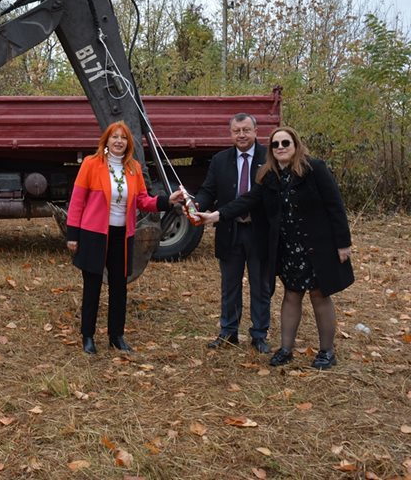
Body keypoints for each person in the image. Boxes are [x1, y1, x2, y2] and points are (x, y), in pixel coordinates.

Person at [197, 126, 354, 369]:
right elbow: (247, 200)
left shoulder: (315, 169)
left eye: (285, 143)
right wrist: (217, 215)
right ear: (270, 149)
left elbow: (335, 206)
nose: (280, 148)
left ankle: (326, 352)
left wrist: (343, 243)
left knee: (319, 295)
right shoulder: (269, 176)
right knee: (291, 295)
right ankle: (286, 349)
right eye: (275, 144)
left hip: (317, 246)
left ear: (295, 145)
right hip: (289, 248)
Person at [66, 121, 183, 354]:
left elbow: (143, 201)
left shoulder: (134, 168)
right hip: (94, 234)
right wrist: (73, 235)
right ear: (106, 140)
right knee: (92, 286)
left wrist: (166, 201)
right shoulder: (91, 164)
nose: (119, 141)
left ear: (129, 143)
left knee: (119, 288)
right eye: (114, 137)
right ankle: (88, 336)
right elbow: (77, 201)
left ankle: (116, 336)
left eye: (124, 138)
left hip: (122, 235)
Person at [194, 113, 271, 354]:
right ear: (230, 134)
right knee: (229, 285)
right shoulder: (220, 160)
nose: (241, 135)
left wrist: (219, 213)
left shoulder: (269, 157)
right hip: (230, 231)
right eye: (236, 131)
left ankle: (259, 335)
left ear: (256, 131)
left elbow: (259, 195)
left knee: (260, 286)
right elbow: (208, 190)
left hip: (260, 232)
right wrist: (197, 204)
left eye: (246, 130)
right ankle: (228, 332)